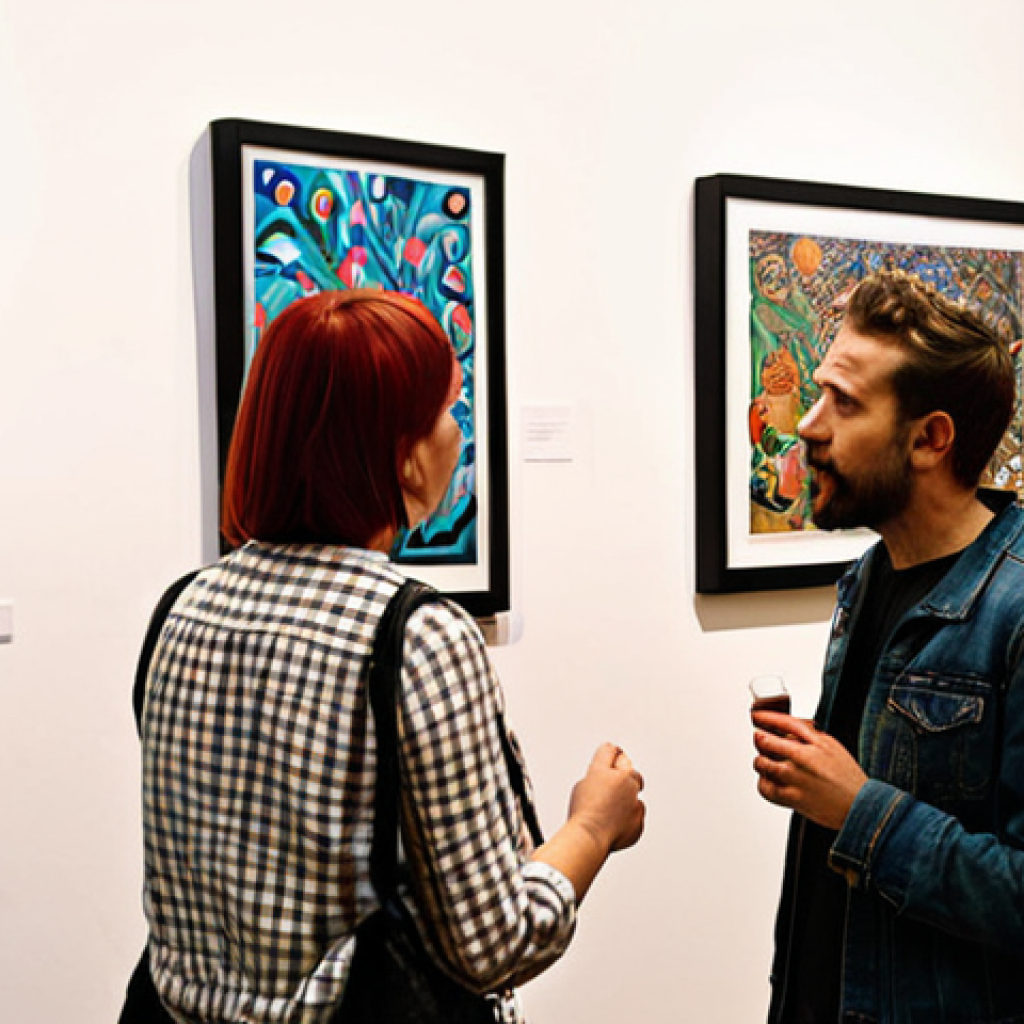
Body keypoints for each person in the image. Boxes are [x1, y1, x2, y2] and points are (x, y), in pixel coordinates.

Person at [137, 289, 646, 1023]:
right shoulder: (416, 635)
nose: (458, 433)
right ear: (404, 457)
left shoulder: (182, 609)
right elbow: (494, 944)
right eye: (447, 410)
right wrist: (594, 825)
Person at [752, 269, 1024, 1024]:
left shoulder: (1015, 611)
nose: (808, 426)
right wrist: (817, 778)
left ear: (931, 439)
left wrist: (859, 809)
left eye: (844, 402)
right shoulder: (868, 578)